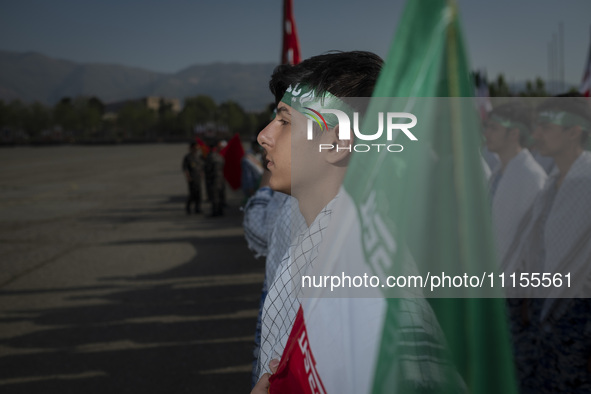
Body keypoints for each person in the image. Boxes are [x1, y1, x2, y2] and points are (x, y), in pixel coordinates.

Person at [251, 51, 461, 394]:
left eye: (285, 122)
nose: (264, 136)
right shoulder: (323, 240)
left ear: (338, 142)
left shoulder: (370, 291)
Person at [506, 95, 591, 392]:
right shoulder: (551, 184)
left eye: (545, 126)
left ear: (573, 131)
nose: (537, 134)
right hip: (541, 315)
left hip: (577, 320)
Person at [483, 101, 547, 267]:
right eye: (487, 127)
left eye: (494, 128)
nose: (487, 133)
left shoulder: (533, 177)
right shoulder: (497, 173)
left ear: (514, 134)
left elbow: (537, 242)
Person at [205, 141, 226, 217]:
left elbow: (208, 169)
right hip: (221, 178)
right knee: (220, 195)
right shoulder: (220, 157)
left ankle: (215, 212)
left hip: (214, 178)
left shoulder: (210, 157)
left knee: (215, 196)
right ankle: (220, 211)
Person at [182, 142, 204, 214]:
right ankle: (188, 207)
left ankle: (198, 208)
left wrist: (201, 173)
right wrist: (188, 177)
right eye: (195, 148)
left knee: (199, 194)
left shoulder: (198, 156)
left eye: (197, 148)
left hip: (198, 178)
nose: (196, 150)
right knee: (192, 194)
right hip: (192, 178)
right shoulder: (188, 157)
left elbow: (201, 166)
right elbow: (185, 168)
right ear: (191, 148)